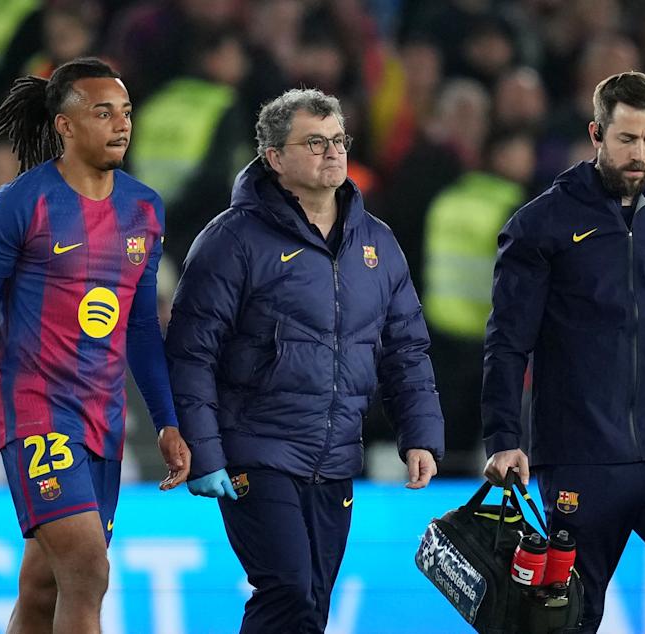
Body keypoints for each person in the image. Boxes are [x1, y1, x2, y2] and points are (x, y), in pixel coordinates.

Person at [0, 58, 190, 634]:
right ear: (64, 126)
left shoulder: (144, 209)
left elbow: (139, 327)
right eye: (102, 112)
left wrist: (167, 420)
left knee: (43, 591)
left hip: (103, 422)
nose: (121, 125)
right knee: (88, 568)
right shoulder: (20, 204)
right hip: (37, 412)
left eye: (126, 112)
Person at [165, 88, 444, 634]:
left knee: (312, 601)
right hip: (256, 449)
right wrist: (204, 450)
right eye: (315, 142)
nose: (333, 152)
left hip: (336, 456)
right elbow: (191, 351)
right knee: (288, 587)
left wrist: (421, 434)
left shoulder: (378, 244)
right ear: (274, 157)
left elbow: (406, 349)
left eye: (338, 140)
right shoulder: (232, 240)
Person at [481, 71, 645, 634]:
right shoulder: (541, 223)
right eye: (627, 139)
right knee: (573, 611)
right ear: (596, 134)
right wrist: (503, 439)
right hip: (581, 454)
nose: (640, 154)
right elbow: (507, 339)